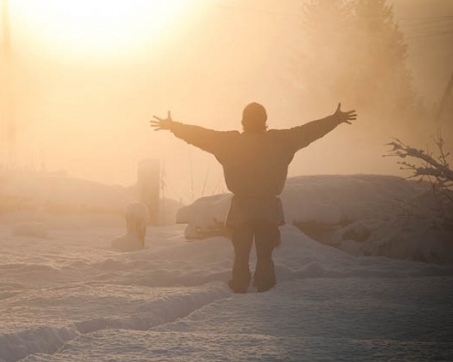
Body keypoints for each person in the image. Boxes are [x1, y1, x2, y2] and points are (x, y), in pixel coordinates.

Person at [150, 102, 357, 293]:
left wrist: (174, 126)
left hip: (242, 209)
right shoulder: (280, 141)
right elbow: (309, 132)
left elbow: (200, 135)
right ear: (265, 121)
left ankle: (239, 285)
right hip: (267, 208)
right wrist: (334, 119)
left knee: (241, 254)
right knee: (265, 254)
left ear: (243, 120)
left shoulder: (230, 143)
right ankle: (265, 287)